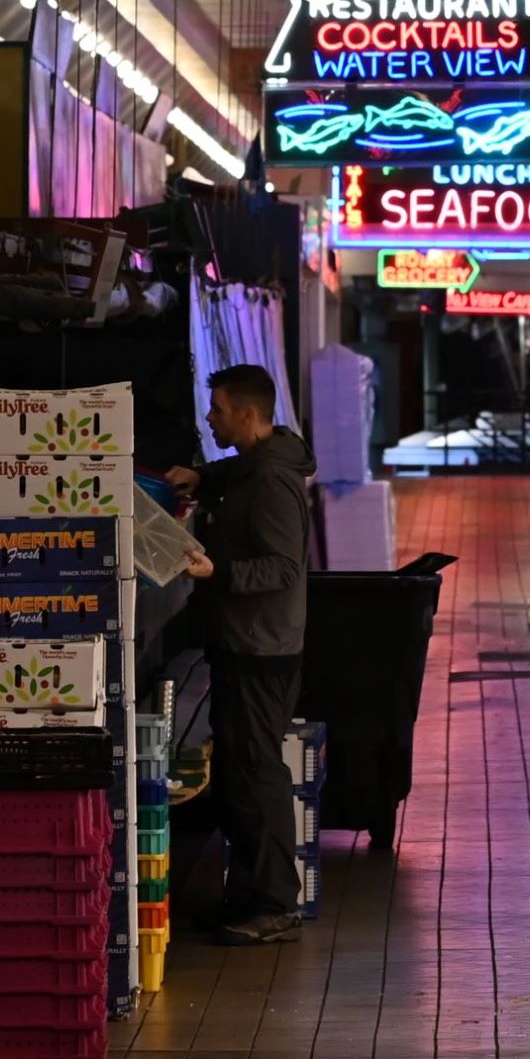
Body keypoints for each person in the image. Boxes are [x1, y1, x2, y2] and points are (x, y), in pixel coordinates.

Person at [166, 364, 315, 945]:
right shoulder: (258, 463)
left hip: (262, 650)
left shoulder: (274, 483)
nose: (211, 417)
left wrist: (217, 570)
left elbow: (282, 568)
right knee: (239, 776)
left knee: (258, 776)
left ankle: (276, 904)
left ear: (248, 415)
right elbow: (241, 470)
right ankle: (248, 895)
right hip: (244, 642)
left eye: (220, 409)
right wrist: (203, 476)